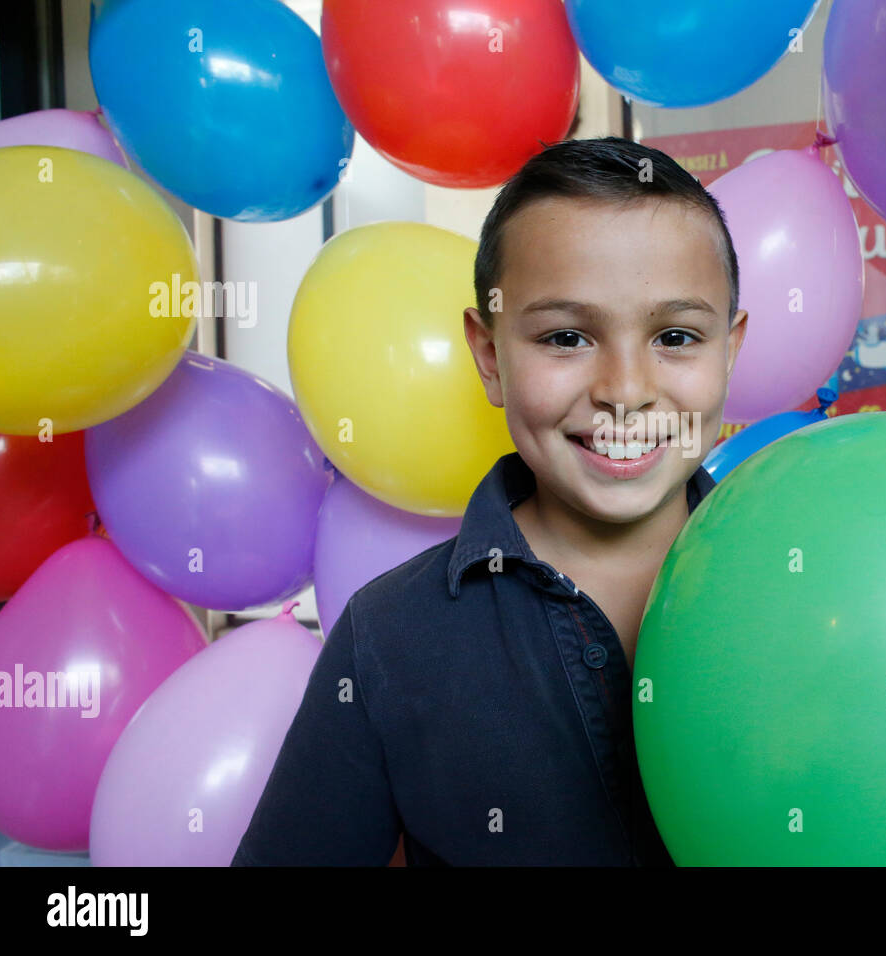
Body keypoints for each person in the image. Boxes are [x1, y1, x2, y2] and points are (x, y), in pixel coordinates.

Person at [231, 136, 748, 866]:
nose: (626, 391)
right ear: (489, 356)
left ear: (730, 349)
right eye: (566, 337)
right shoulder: (387, 636)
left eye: (675, 336)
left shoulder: (810, 590)